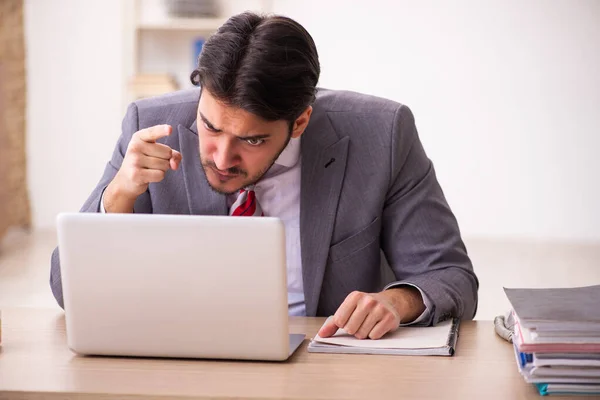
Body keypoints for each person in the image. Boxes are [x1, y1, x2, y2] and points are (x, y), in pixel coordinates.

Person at [50, 12, 478, 340]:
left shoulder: (381, 134)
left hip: (323, 368)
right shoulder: (150, 124)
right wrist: (120, 195)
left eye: (251, 141)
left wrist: (396, 301)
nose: (221, 157)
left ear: (300, 121)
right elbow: (66, 290)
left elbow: (451, 275)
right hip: (181, 360)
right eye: (211, 127)